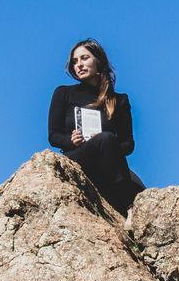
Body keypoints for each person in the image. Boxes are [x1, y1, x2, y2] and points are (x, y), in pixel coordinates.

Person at [47, 39, 144, 214]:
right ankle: (128, 208)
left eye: (84, 58)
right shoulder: (64, 93)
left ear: (98, 61)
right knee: (106, 139)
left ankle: (131, 216)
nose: (79, 65)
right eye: (75, 61)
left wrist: (106, 145)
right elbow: (53, 136)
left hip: (108, 161)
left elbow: (128, 144)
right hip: (78, 157)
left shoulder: (119, 100)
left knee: (140, 189)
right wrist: (71, 140)